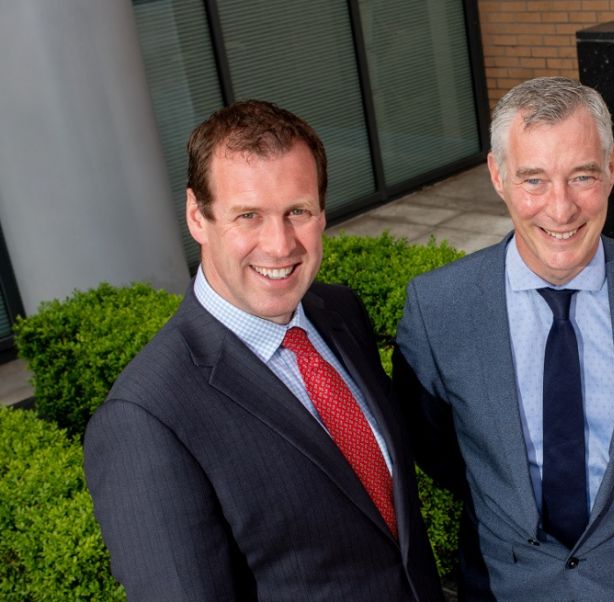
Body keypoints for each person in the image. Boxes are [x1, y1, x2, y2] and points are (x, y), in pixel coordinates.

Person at [84, 100, 443, 601]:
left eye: (297, 211)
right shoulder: (145, 419)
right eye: (248, 216)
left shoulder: (339, 313)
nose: (279, 245)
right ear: (196, 216)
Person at [393, 76, 614, 600]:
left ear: (612, 169)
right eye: (534, 180)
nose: (561, 208)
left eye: (582, 176)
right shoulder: (439, 308)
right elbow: (442, 452)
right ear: (498, 175)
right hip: (505, 585)